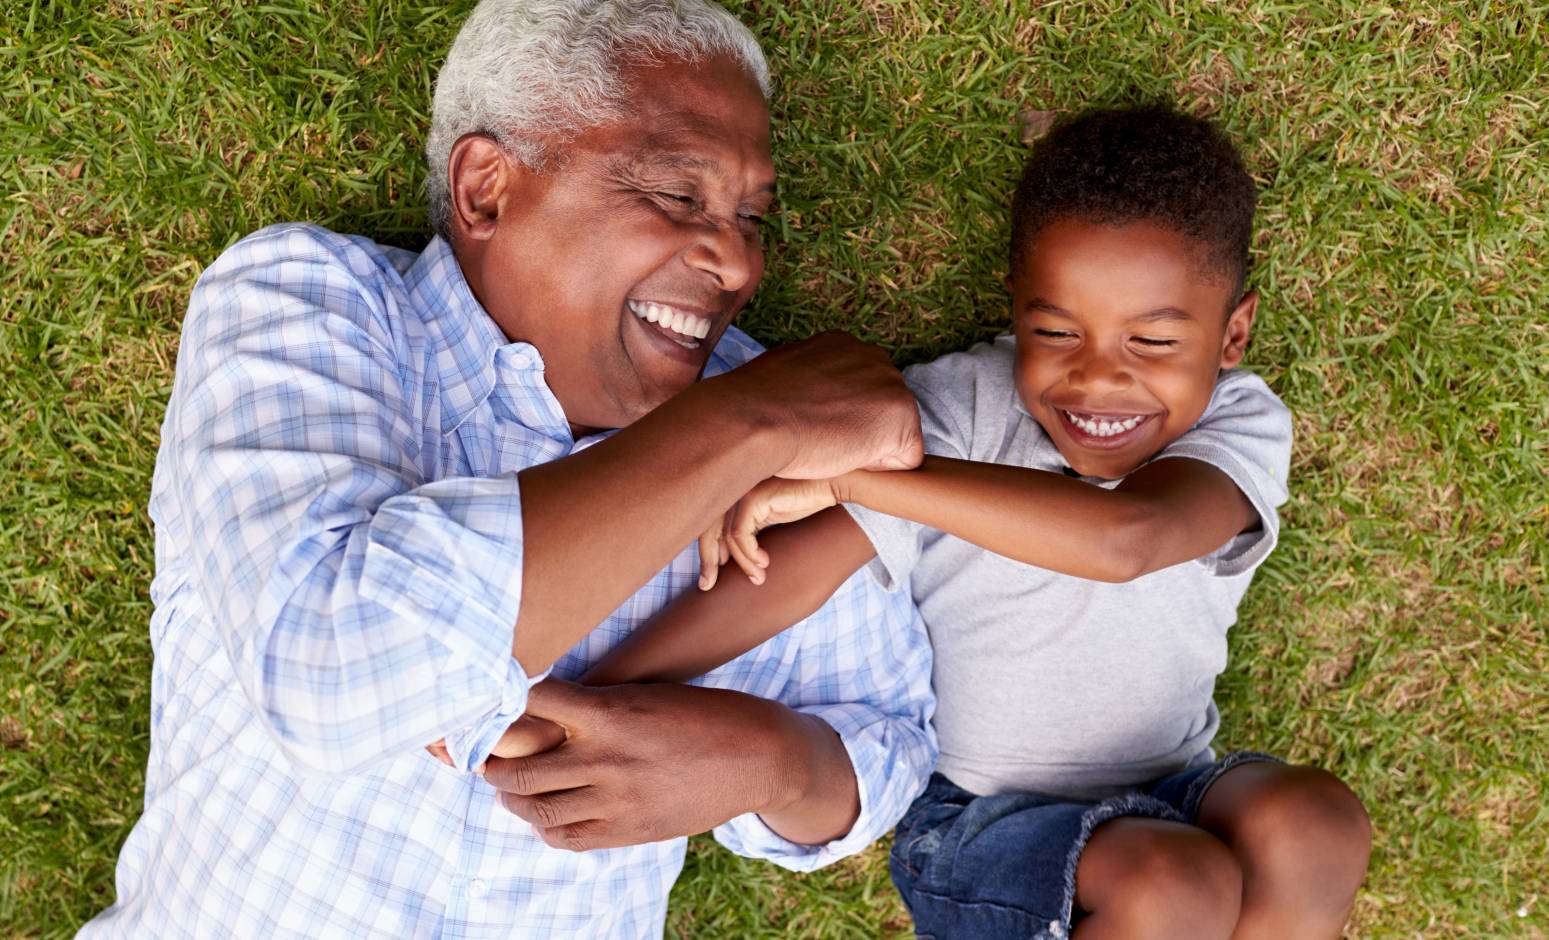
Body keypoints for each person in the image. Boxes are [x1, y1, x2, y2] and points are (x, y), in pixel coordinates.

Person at [80, 2, 938, 937]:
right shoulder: (308, 306)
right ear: (486, 188)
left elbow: (885, 739)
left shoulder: (775, 431)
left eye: (751, 218)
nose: (734, 260)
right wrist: (746, 425)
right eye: (676, 196)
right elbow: (333, 676)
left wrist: (769, 761)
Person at [516, 106, 1374, 939]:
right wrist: (585, 701)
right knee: (1174, 886)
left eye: (1152, 343)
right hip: (981, 823)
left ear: (1233, 335)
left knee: (1316, 824)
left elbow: (1131, 540)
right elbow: (793, 578)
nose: (1099, 381)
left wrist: (861, 476)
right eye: (1055, 330)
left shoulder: (1239, 422)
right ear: (1015, 306)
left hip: (1181, 783)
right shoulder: (959, 406)